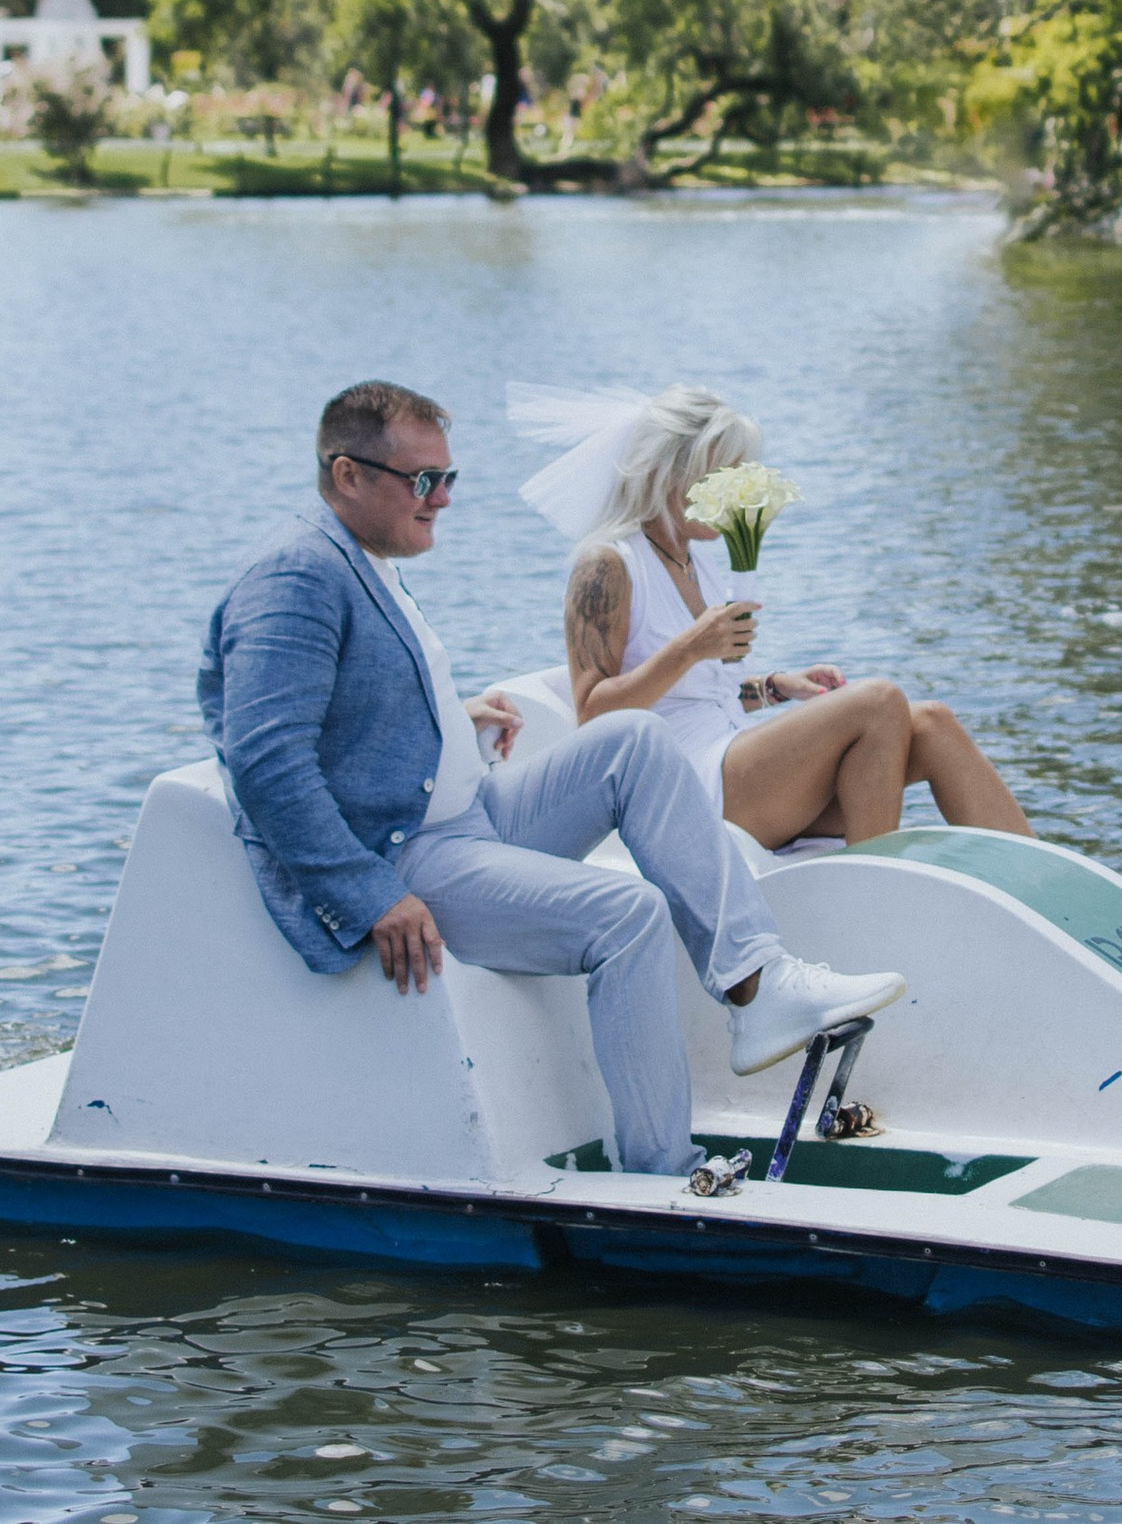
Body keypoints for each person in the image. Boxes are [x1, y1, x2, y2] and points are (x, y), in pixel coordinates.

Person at [197, 379, 905, 1179]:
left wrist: (450, 719)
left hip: (466, 810)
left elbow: (344, 708)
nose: (442, 500)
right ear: (346, 475)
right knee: (628, 914)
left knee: (633, 741)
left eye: (449, 478)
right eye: (421, 481)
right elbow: (264, 760)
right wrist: (368, 896)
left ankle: (757, 984)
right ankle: (660, 1174)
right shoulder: (295, 576)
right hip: (405, 853)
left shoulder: (364, 559)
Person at [518, 383, 1033, 853]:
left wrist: (771, 688)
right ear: (673, 474)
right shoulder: (607, 563)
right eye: (725, 475)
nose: (739, 491)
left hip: (733, 760)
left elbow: (695, 693)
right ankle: (875, 893)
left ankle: (1049, 888)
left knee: (931, 722)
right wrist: (690, 647)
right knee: (878, 701)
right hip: (682, 787)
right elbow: (592, 714)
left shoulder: (696, 560)